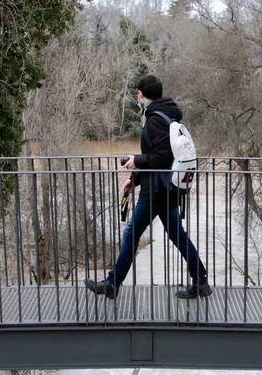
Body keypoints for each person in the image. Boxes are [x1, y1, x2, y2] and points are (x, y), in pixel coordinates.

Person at [85, 74, 211, 300]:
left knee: (131, 233)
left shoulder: (154, 119)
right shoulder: (168, 115)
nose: (137, 97)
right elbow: (159, 157)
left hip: (156, 191)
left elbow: (161, 157)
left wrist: (137, 160)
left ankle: (112, 283)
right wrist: (134, 180)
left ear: (143, 95)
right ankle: (201, 282)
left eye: (138, 94)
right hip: (165, 188)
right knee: (178, 237)